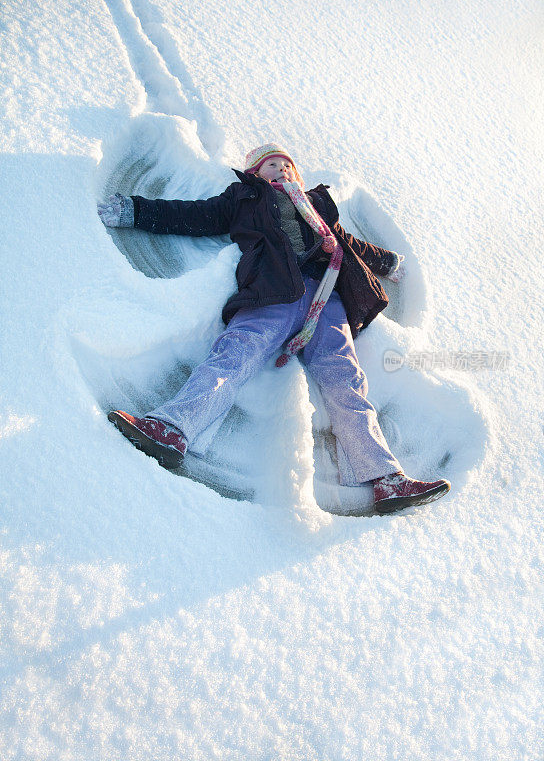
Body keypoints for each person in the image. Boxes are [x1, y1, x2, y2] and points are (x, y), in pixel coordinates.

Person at [97, 143, 450, 514]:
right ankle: (172, 429)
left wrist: (388, 261)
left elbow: (348, 244)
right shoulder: (245, 199)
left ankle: (384, 478)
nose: (280, 168)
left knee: (346, 379)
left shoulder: (316, 206)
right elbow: (192, 215)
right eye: (270, 164)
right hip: (272, 292)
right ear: (254, 174)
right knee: (232, 357)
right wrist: (135, 210)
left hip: (327, 297)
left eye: (286, 164)